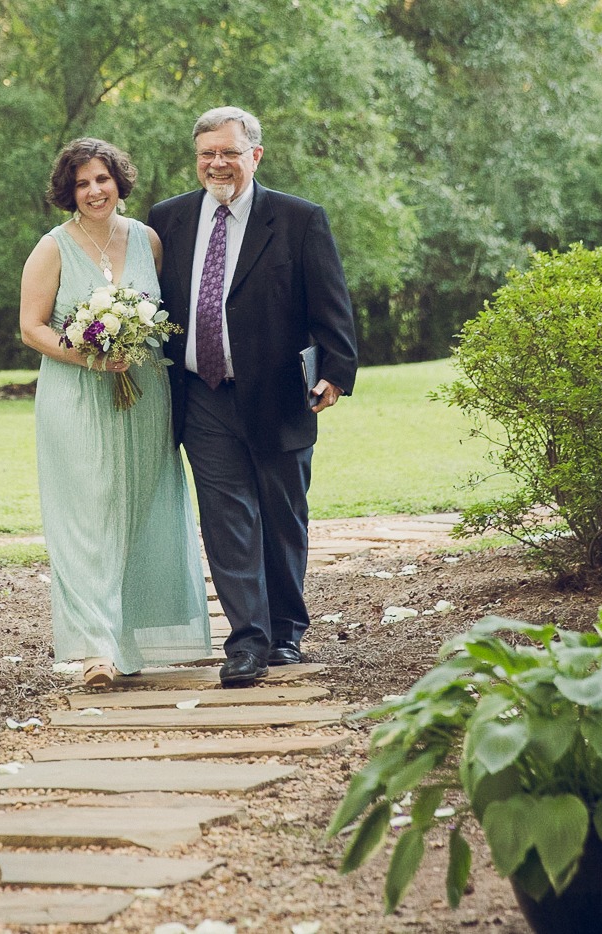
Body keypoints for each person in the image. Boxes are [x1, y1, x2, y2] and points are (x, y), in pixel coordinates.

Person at [148, 107, 358, 688]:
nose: (218, 163)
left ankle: (286, 630)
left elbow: (331, 306)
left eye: (230, 153)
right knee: (226, 518)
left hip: (279, 395)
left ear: (254, 156)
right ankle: (246, 641)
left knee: (283, 515)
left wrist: (336, 372)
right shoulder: (167, 220)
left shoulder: (298, 220)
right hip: (201, 393)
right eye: (207, 153)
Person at [20, 138, 211, 688]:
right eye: (82, 183)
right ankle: (93, 651)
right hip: (76, 397)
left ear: (118, 182)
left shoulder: (148, 240)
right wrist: (89, 356)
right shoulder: (53, 247)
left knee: (138, 509)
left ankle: (125, 641)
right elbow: (31, 327)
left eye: (101, 179)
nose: (94, 191)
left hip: (146, 396)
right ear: (68, 192)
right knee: (87, 516)